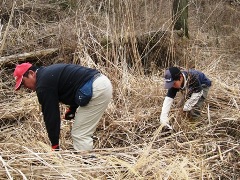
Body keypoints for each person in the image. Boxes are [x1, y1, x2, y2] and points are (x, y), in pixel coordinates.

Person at [13, 62, 112, 151]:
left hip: (97, 89)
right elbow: (74, 84)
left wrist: (54, 144)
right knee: (81, 132)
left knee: (80, 134)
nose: (25, 87)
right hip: (99, 83)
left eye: (23, 83)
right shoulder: (47, 74)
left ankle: (88, 165)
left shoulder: (43, 85)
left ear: (31, 73)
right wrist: (72, 109)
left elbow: (51, 116)